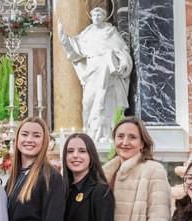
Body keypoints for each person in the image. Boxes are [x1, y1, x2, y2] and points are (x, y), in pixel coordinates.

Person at [57, 8, 134, 149]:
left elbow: (122, 51)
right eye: (94, 15)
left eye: (99, 14)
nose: (97, 17)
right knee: (88, 103)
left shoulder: (110, 33)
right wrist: (63, 38)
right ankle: (90, 132)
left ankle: (106, 135)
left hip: (108, 72)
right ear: (91, 17)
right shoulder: (87, 34)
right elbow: (75, 50)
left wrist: (123, 62)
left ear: (104, 17)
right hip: (92, 71)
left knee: (105, 103)